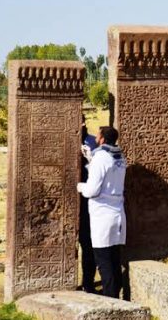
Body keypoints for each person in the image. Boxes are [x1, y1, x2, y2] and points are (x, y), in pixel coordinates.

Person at [77, 126, 127, 298]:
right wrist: (91, 159)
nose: (96, 138)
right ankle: (115, 294)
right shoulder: (120, 156)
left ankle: (109, 299)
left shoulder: (101, 158)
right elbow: (108, 175)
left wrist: (80, 186)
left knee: (103, 261)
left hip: (102, 215)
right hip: (117, 213)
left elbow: (92, 190)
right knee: (114, 258)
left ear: (102, 139)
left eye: (98, 136)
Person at [79, 115, 98, 293]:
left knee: (88, 242)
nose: (82, 125)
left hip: (88, 198)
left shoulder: (93, 141)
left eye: (83, 121)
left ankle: (88, 281)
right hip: (68, 197)